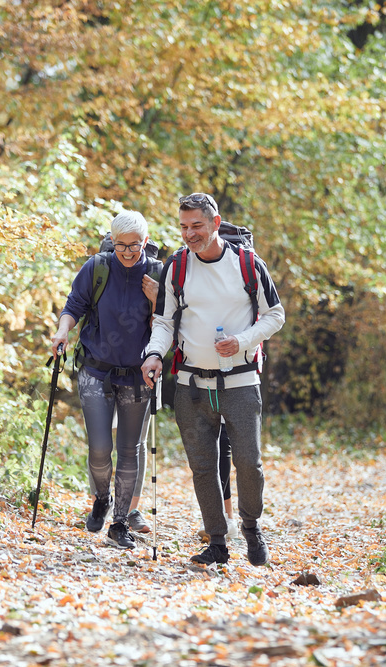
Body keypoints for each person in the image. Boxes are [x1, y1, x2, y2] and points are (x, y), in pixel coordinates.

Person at [141, 193, 285, 566]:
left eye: (197, 226)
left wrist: (242, 340)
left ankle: (251, 528)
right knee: (203, 467)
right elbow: (164, 322)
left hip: (240, 381)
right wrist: (155, 353)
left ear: (216, 224)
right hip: (191, 384)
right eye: (184, 227)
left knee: (249, 464)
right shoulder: (177, 267)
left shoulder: (248, 264)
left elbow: (275, 315)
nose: (189, 234)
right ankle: (217, 542)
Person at [51, 211, 160, 550]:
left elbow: (171, 322)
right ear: (112, 242)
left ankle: (120, 523)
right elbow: (74, 305)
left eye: (135, 246)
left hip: (137, 375)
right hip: (95, 371)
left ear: (146, 241)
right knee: (100, 448)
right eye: (121, 246)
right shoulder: (97, 267)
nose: (128, 253)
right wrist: (62, 331)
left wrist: (157, 298)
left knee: (130, 449)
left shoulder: (158, 273)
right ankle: (101, 497)